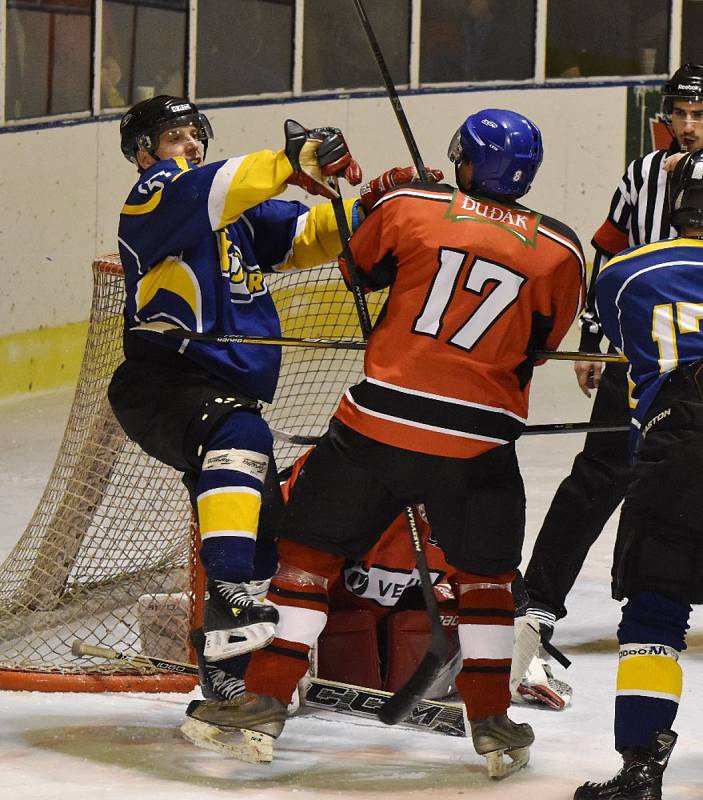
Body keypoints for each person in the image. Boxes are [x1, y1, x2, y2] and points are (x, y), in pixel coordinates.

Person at [183, 108, 586, 776]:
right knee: (485, 580)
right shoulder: (562, 248)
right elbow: (539, 347)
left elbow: (354, 271)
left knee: (307, 559)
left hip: (378, 425)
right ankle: (490, 719)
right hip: (480, 441)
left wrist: (396, 212)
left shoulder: (409, 203)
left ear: (461, 158)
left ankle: (264, 699)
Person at [107, 95, 365, 696]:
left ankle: (225, 672)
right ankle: (224, 604)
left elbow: (303, 235)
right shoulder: (155, 197)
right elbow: (212, 188)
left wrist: (378, 207)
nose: (191, 144)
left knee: (262, 544)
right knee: (239, 434)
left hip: (220, 391)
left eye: (195, 133)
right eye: (174, 136)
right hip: (163, 382)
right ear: (144, 152)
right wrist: (288, 158)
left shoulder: (234, 214)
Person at [520, 64, 703, 645]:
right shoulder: (642, 173)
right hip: (645, 351)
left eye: (700, 116)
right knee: (600, 471)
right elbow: (609, 251)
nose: (689, 126)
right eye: (680, 115)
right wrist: (594, 340)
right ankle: (540, 603)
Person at [573, 147, 703, 799]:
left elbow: (622, 334)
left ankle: (641, 771)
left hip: (675, 448)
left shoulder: (625, 272)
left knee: (653, 611)